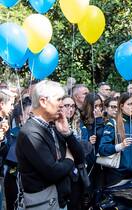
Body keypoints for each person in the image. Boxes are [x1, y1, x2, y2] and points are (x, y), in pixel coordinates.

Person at [16, 80, 85, 209]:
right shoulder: (30, 132)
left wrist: (67, 133)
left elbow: (80, 157)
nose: (62, 105)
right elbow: (53, 172)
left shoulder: (53, 126)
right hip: (44, 203)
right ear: (43, 101)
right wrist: (70, 159)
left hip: (59, 200)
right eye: (59, 100)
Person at [99, 93, 132, 185]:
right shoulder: (113, 124)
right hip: (117, 175)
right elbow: (102, 149)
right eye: (129, 104)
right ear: (121, 106)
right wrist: (120, 146)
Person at [4, 97, 31, 210]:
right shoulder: (12, 134)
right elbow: (9, 157)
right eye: (29, 114)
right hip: (14, 181)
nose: (32, 118)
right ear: (21, 117)